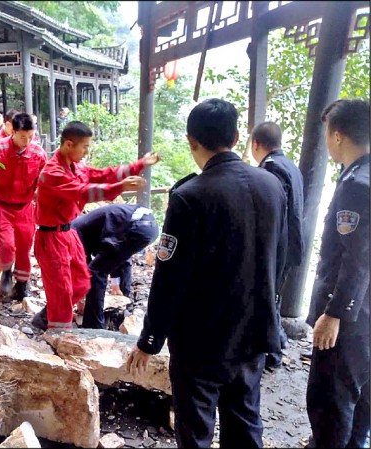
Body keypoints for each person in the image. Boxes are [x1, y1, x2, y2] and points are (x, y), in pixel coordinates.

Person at [127, 98, 287, 448]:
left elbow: (169, 279)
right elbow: (282, 257)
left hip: (202, 342)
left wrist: (150, 340)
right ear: (235, 136)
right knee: (246, 425)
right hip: (253, 333)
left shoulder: (189, 196)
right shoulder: (272, 186)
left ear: (191, 141)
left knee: (196, 430)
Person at [32, 120, 161, 330]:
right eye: (84, 146)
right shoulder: (53, 173)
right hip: (51, 238)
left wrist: (139, 165)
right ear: (69, 144)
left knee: (82, 282)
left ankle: (50, 315)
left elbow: (103, 174)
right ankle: (59, 336)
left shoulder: (76, 166)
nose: (86, 151)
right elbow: (83, 192)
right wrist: (119, 187)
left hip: (68, 233)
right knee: (62, 293)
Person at [305, 99, 369, 448]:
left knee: (331, 401)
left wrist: (334, 312)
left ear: (339, 135)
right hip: (365, 316)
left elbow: (356, 258)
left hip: (349, 320)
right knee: (360, 403)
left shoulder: (356, 184)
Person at [0, 112, 47, 300]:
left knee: (24, 244)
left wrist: (41, 189)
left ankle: (22, 283)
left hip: (25, 206)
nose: (27, 141)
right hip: (1, 205)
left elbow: (45, 177)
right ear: (12, 131)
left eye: (31, 137)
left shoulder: (38, 153)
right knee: (5, 243)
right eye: (23, 137)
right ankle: (6, 271)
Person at [251, 121, 305, 369]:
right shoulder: (291, 166)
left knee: (267, 299)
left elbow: (273, 213)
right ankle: (276, 346)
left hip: (277, 248)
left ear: (256, 144)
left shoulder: (271, 169)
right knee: (273, 298)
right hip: (289, 245)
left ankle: (273, 353)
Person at [73, 203, 159, 329]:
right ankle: (123, 311)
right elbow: (112, 254)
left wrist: (80, 298)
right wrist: (114, 283)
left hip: (133, 227)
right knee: (121, 257)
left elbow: (83, 270)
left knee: (95, 272)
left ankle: (93, 326)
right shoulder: (90, 227)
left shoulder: (74, 232)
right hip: (149, 226)